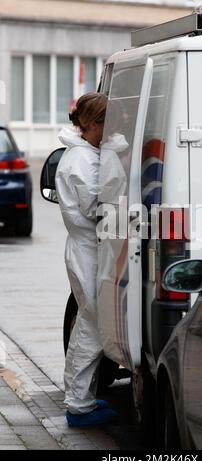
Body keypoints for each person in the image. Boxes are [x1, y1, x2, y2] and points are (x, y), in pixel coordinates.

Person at [55, 92, 119, 427]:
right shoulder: (82, 161)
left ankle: (81, 398)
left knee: (87, 324)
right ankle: (79, 405)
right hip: (88, 251)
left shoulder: (83, 154)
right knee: (92, 328)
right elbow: (96, 209)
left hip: (87, 250)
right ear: (95, 123)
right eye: (109, 122)